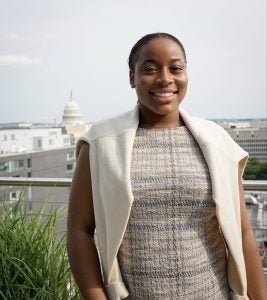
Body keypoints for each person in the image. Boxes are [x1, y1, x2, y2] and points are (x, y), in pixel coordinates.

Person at [67, 33, 267, 300]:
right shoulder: (101, 143)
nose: (164, 78)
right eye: (149, 69)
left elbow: (242, 233)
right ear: (131, 77)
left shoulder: (217, 142)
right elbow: (79, 231)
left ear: (186, 75)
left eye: (176, 68)